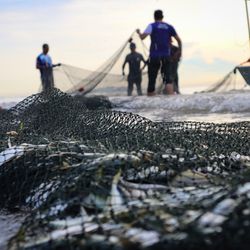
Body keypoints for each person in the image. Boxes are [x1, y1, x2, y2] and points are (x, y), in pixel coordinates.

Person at [136, 10, 182, 96]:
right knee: (168, 80)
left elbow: (142, 37)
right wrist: (179, 51)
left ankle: (151, 106)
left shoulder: (152, 26)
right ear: (162, 17)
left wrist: (138, 33)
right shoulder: (169, 27)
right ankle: (172, 104)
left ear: (154, 17)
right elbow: (179, 40)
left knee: (152, 79)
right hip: (166, 56)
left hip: (154, 56)